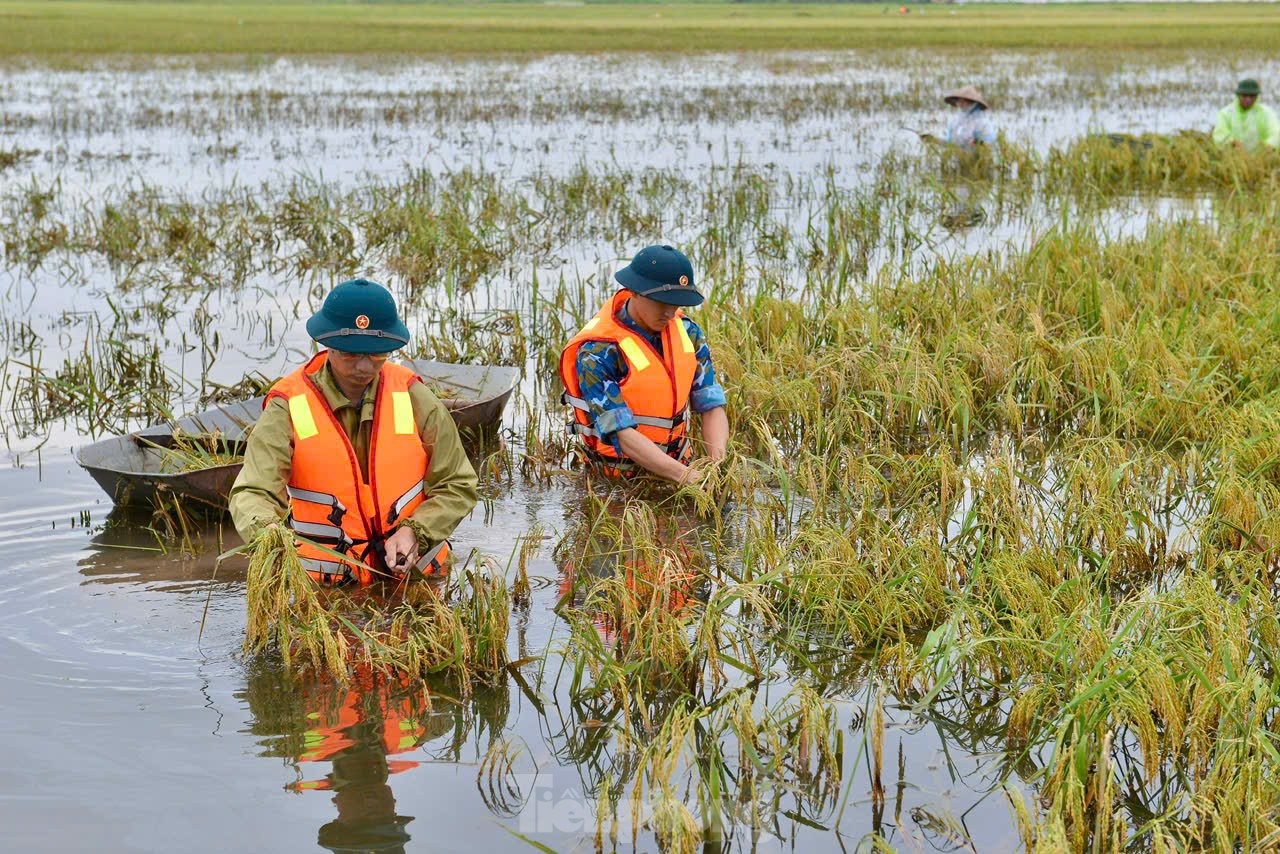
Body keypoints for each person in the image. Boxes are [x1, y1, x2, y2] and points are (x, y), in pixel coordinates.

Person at [229, 278, 478, 585]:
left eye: (377, 354)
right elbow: (254, 491)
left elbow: (457, 482)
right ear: (327, 345)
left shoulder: (413, 395)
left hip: (416, 580)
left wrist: (417, 530)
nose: (364, 366)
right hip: (328, 591)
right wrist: (267, 532)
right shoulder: (287, 406)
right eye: (350, 354)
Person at [559, 245, 728, 484]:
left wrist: (716, 468)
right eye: (662, 302)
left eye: (677, 303)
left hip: (681, 469)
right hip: (619, 485)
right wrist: (687, 477)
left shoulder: (689, 333)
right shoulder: (598, 351)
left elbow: (711, 405)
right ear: (634, 292)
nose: (670, 313)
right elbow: (621, 433)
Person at [1213, 78, 1280, 152]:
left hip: (1261, 158)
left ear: (1257, 97)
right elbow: (1219, 135)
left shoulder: (1266, 113)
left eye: (1252, 96)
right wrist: (1232, 143)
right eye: (1244, 95)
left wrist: (1267, 147)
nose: (1248, 99)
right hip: (1233, 157)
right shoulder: (1226, 113)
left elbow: (1276, 134)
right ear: (1238, 95)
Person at [941, 85, 995, 152]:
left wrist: (977, 142)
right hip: (959, 158)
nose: (960, 104)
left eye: (964, 101)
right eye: (959, 101)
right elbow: (949, 141)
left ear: (973, 102)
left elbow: (989, 146)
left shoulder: (982, 122)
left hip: (976, 159)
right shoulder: (956, 120)